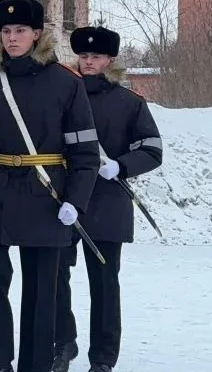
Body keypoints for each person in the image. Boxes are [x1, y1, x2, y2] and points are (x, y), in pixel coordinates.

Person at [0, 0, 99, 372]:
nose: (12, 38)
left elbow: (84, 150)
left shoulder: (66, 83)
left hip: (47, 193)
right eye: (6, 31)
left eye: (21, 30)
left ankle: (36, 365)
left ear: (37, 33)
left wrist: (76, 199)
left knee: (43, 290)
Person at [53, 26, 162, 372]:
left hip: (106, 202)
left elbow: (152, 149)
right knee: (54, 277)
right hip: (63, 199)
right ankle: (62, 342)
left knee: (104, 284)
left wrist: (121, 166)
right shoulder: (60, 95)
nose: (88, 62)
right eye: (84, 56)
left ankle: (102, 357)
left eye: (96, 56)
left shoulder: (129, 102)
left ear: (110, 60)